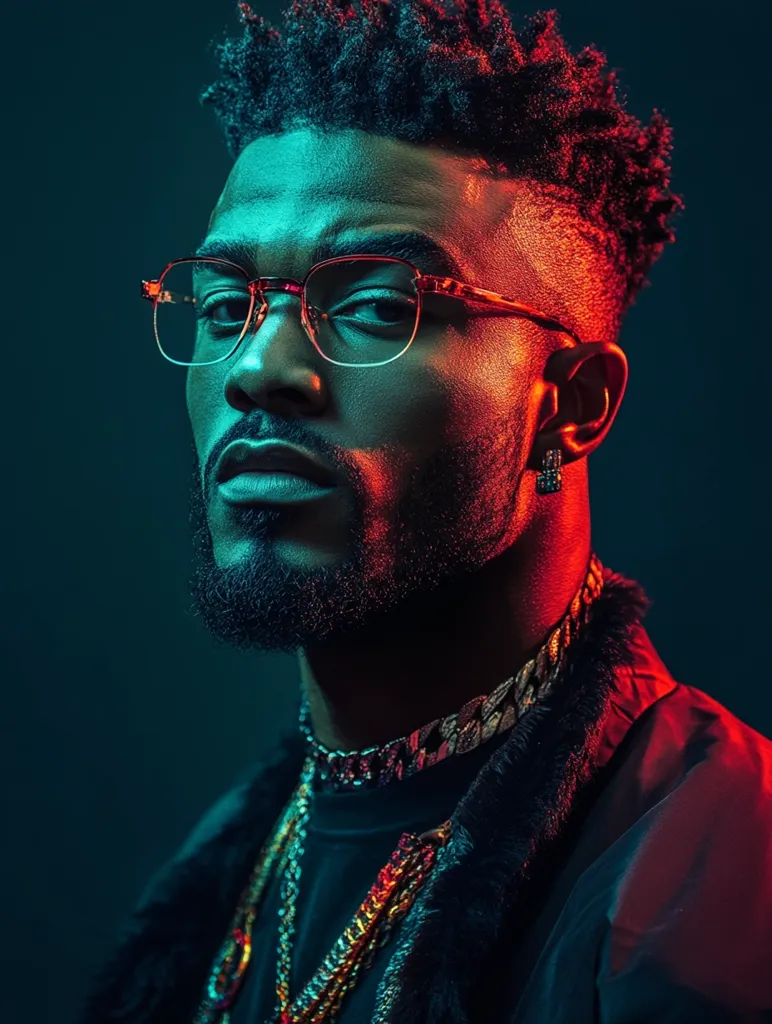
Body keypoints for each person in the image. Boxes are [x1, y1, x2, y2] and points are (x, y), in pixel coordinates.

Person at [81, 1, 772, 1021]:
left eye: (375, 307)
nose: (259, 369)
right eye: (227, 306)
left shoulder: (710, 886)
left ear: (571, 405)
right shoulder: (227, 862)